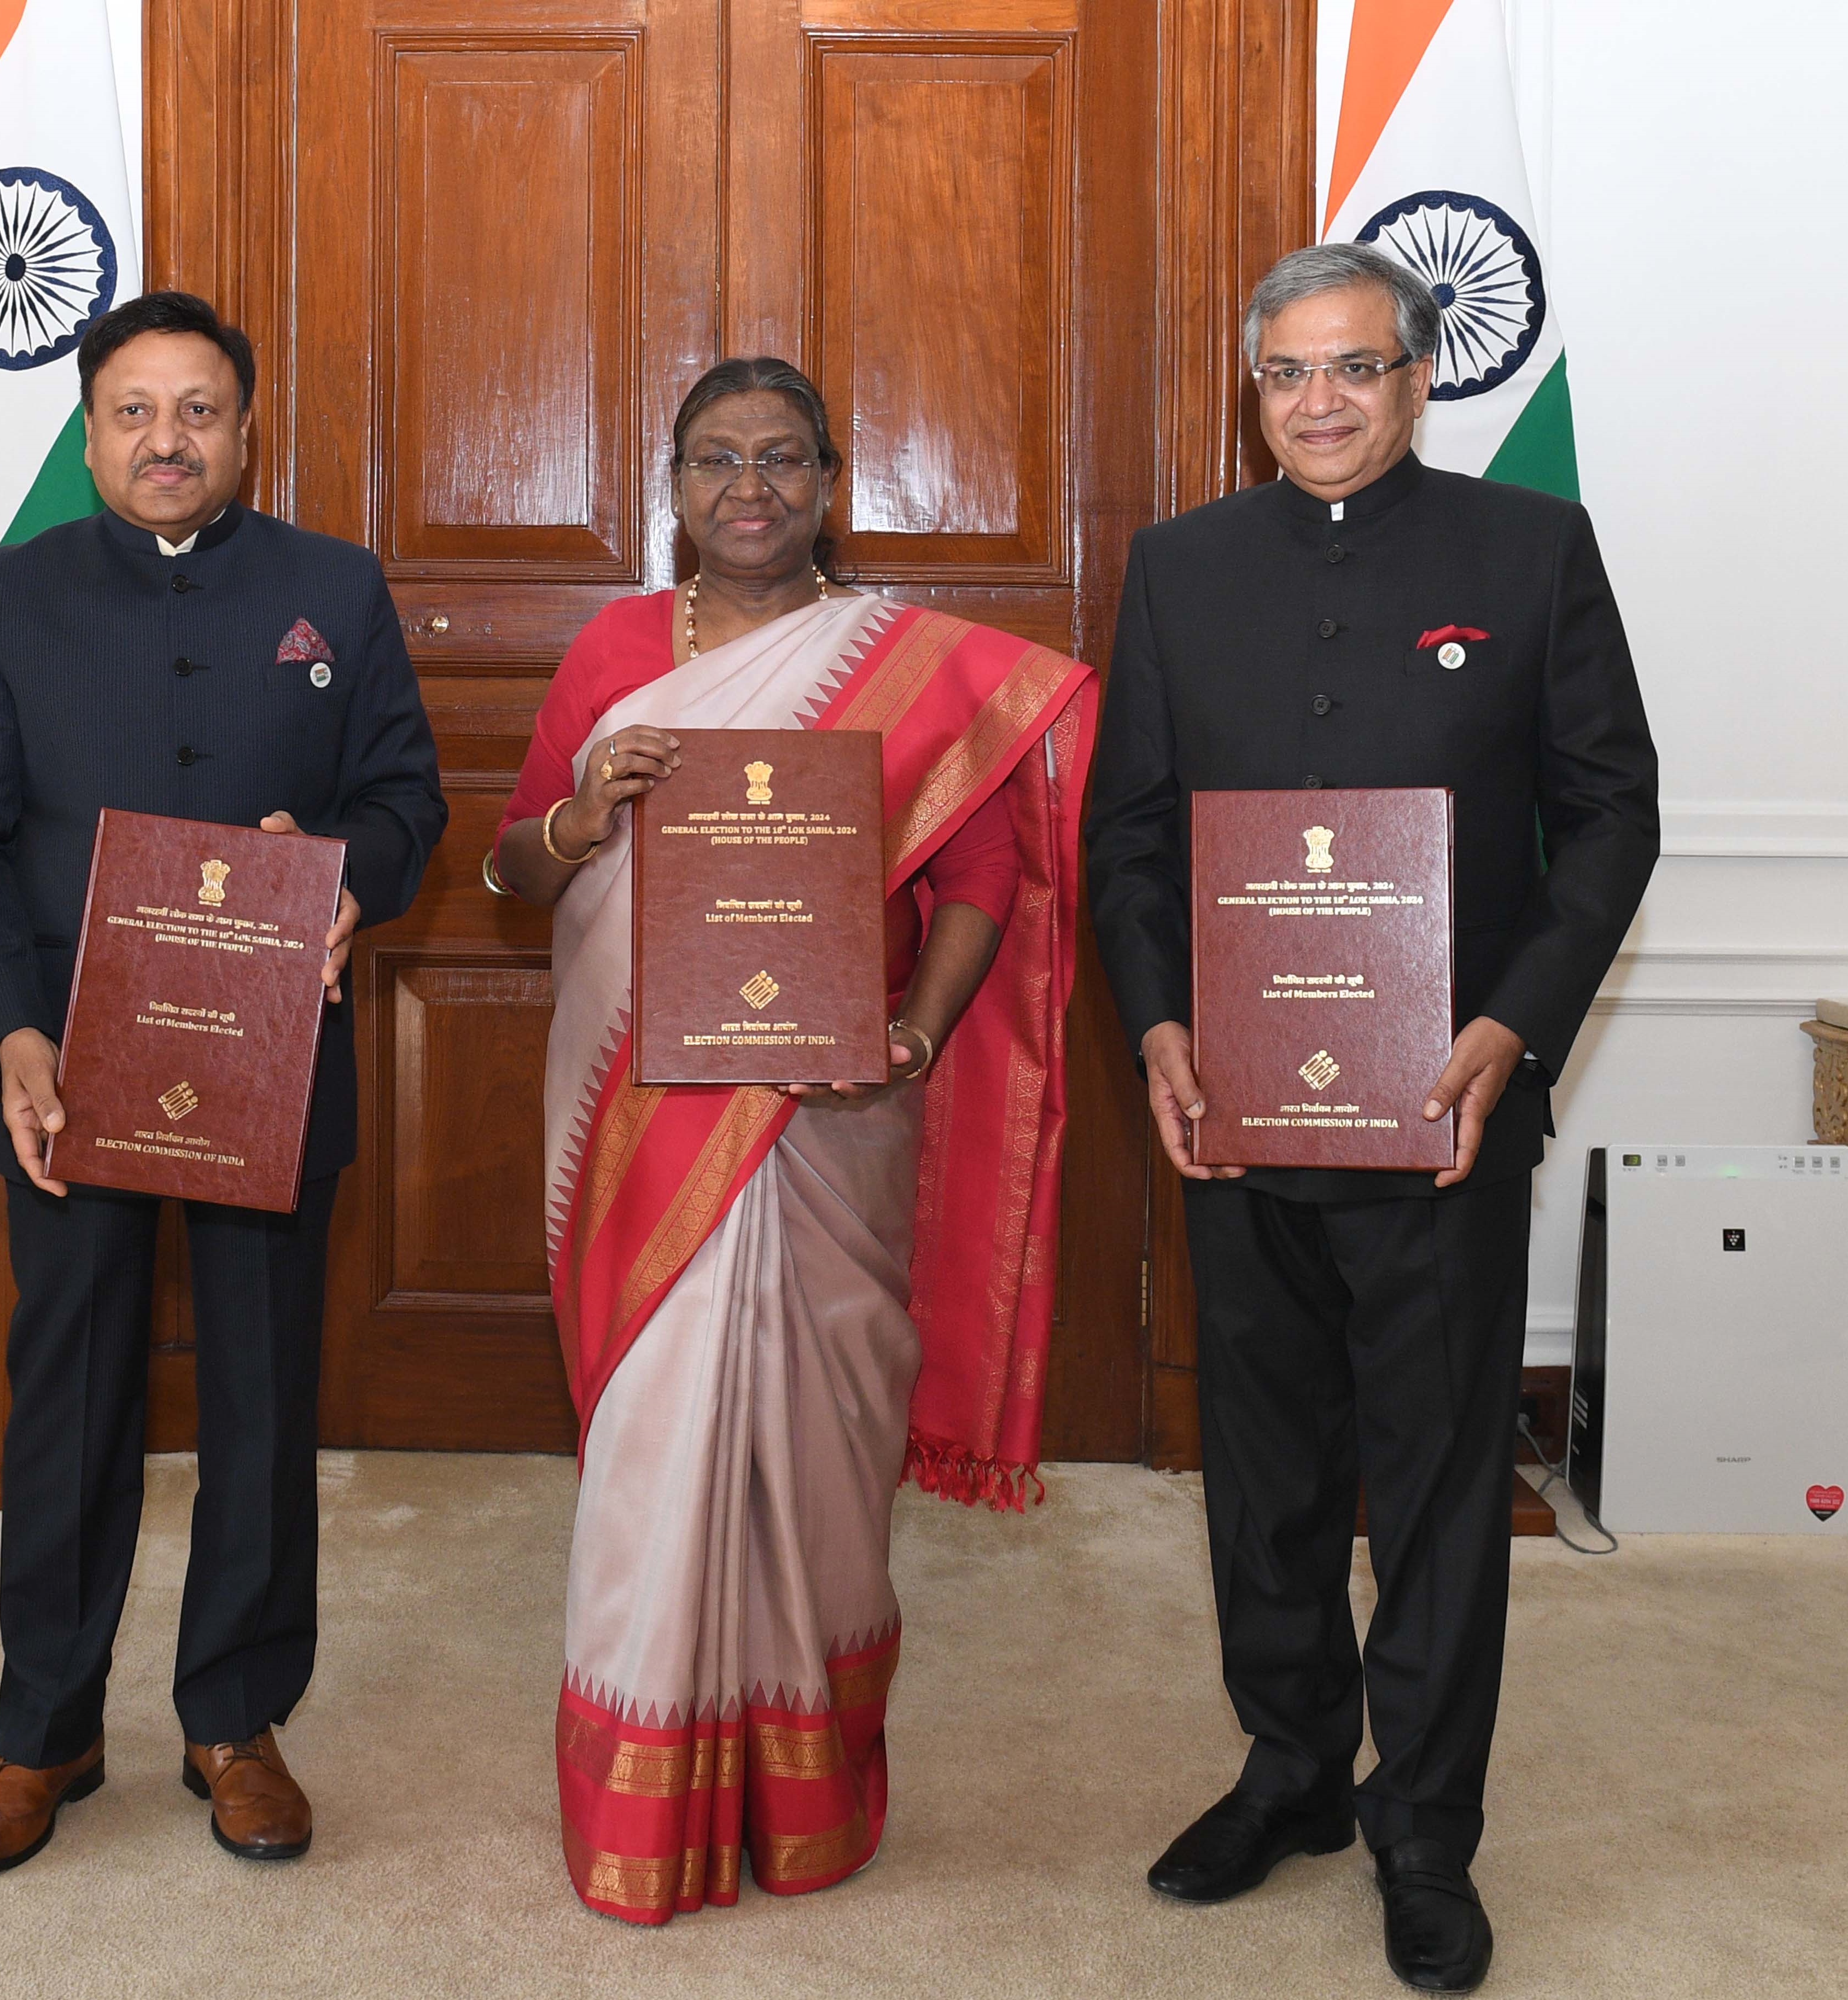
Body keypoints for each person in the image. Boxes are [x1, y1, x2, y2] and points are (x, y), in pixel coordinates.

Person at [1081, 243, 1661, 1993]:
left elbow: (1614, 814)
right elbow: (1127, 837)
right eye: (1283, 374)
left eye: (1352, 369)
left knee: (1433, 1482)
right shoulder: (1182, 568)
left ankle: (1426, 1827)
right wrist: (1164, 1026)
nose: (1317, 403)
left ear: (1420, 381)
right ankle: (1289, 1771)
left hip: (1445, 1115)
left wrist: (1513, 1027)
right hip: (1239, 1112)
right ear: (1249, 392)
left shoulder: (1528, 550)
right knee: (1260, 1470)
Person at [483, 357, 1101, 1925]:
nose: (747, 487)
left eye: (780, 459)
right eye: (713, 460)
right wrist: (577, 816)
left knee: (822, 1446)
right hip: (641, 1118)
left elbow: (978, 882)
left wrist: (914, 1034)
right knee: (652, 1445)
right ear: (672, 485)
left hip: (834, 1118)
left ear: (832, 481)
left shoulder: (908, 665)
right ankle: (647, 1807)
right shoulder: (618, 651)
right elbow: (506, 873)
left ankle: (807, 1797)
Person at [0, 290, 444, 1874]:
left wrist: (349, 875)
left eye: (198, 409)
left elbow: (408, 798)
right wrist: (10, 1031)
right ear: (88, 433)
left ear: (247, 429)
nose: (167, 439)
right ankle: (46, 1731)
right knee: (68, 1398)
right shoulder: (6, 599)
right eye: (134, 411)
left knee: (267, 1396)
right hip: (69, 1068)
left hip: (270, 1063)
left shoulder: (332, 591)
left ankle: (238, 1721)